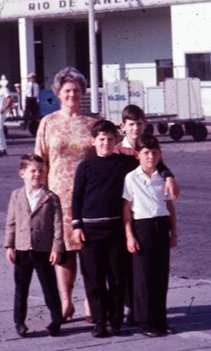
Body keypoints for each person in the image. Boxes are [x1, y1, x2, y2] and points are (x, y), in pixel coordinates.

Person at [34, 66, 97, 321]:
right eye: (67, 90)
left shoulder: (93, 123)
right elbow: (40, 160)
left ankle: (91, 302)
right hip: (57, 197)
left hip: (89, 198)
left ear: (83, 92)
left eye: (76, 90)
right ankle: (66, 301)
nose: (72, 94)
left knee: (89, 250)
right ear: (58, 94)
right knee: (63, 251)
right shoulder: (48, 123)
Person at [71, 119, 140, 337]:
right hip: (91, 232)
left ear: (117, 141)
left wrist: (166, 175)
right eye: (101, 139)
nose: (106, 143)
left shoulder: (125, 164)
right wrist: (77, 225)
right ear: (93, 141)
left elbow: (151, 162)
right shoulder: (86, 166)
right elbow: (77, 196)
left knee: (118, 278)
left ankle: (115, 321)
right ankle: (99, 321)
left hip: (116, 229)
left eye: (110, 139)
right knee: (94, 279)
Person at [123, 134, 178, 338]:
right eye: (146, 153)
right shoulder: (131, 178)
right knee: (143, 277)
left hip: (161, 226)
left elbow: (170, 204)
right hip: (142, 227)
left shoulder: (163, 177)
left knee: (160, 276)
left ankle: (160, 321)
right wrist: (130, 235)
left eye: (154, 153)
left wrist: (174, 233)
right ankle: (144, 322)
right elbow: (126, 209)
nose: (150, 157)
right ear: (138, 155)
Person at [4, 154, 64, 338]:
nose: (37, 174)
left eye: (40, 171)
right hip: (22, 249)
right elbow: (11, 221)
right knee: (21, 288)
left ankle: (56, 320)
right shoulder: (16, 195)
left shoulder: (51, 197)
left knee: (49, 287)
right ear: (22, 173)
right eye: (33, 171)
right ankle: (20, 322)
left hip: (43, 249)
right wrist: (9, 245)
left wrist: (56, 248)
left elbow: (58, 225)